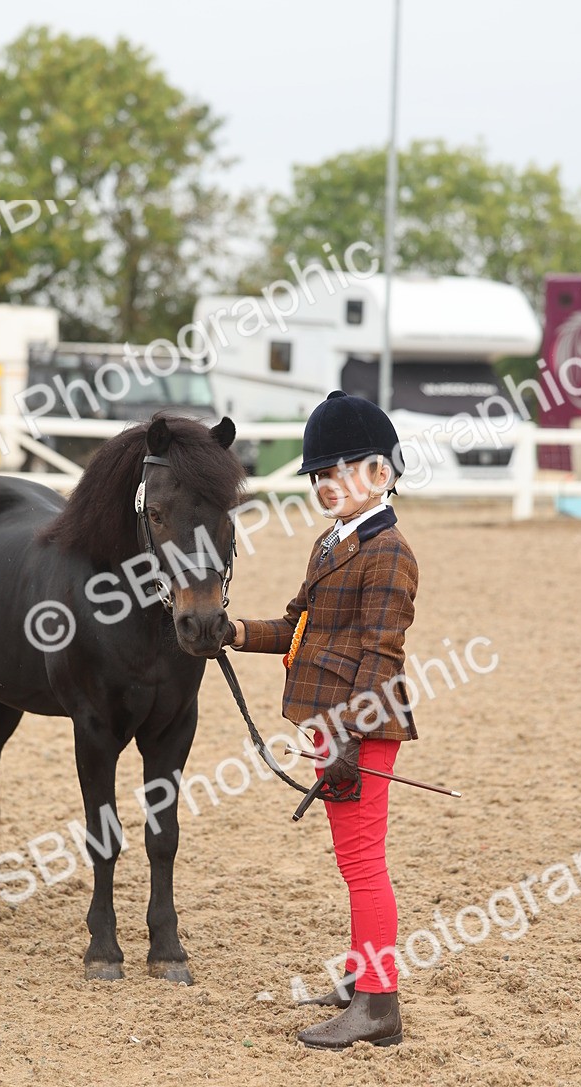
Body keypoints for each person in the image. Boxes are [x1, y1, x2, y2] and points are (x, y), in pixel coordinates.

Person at [223, 390, 419, 1050]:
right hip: (331, 727)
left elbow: (380, 651)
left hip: (357, 730)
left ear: (382, 474)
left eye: (342, 471)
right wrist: (235, 631)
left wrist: (349, 736)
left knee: (364, 865)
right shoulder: (333, 543)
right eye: (320, 475)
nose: (327, 484)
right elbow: (298, 626)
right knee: (351, 861)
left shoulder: (388, 551)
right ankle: (365, 975)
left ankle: (377, 1004)